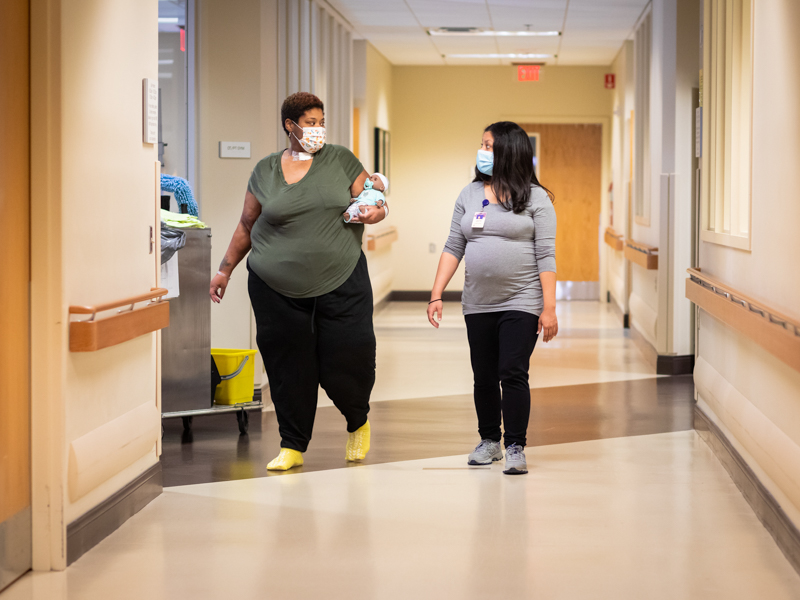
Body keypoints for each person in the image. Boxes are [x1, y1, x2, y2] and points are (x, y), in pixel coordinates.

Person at [209, 92, 388, 471]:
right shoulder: (265, 170)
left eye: (321, 122)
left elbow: (374, 200)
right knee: (287, 364)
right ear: (290, 126)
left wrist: (374, 214)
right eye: (310, 123)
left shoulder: (341, 160)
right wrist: (225, 269)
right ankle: (292, 444)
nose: (318, 130)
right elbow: (246, 224)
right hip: (274, 287)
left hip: (342, 280)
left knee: (348, 356)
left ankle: (357, 419)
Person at [427, 121, 558, 475]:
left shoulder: (536, 198)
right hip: (478, 302)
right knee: (483, 375)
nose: (483, 151)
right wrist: (436, 294)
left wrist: (549, 308)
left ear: (509, 151)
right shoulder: (469, 194)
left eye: (489, 145)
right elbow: (455, 244)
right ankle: (489, 442)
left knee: (512, 371)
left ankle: (515, 445)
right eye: (482, 145)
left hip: (523, 299)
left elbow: (546, 254)